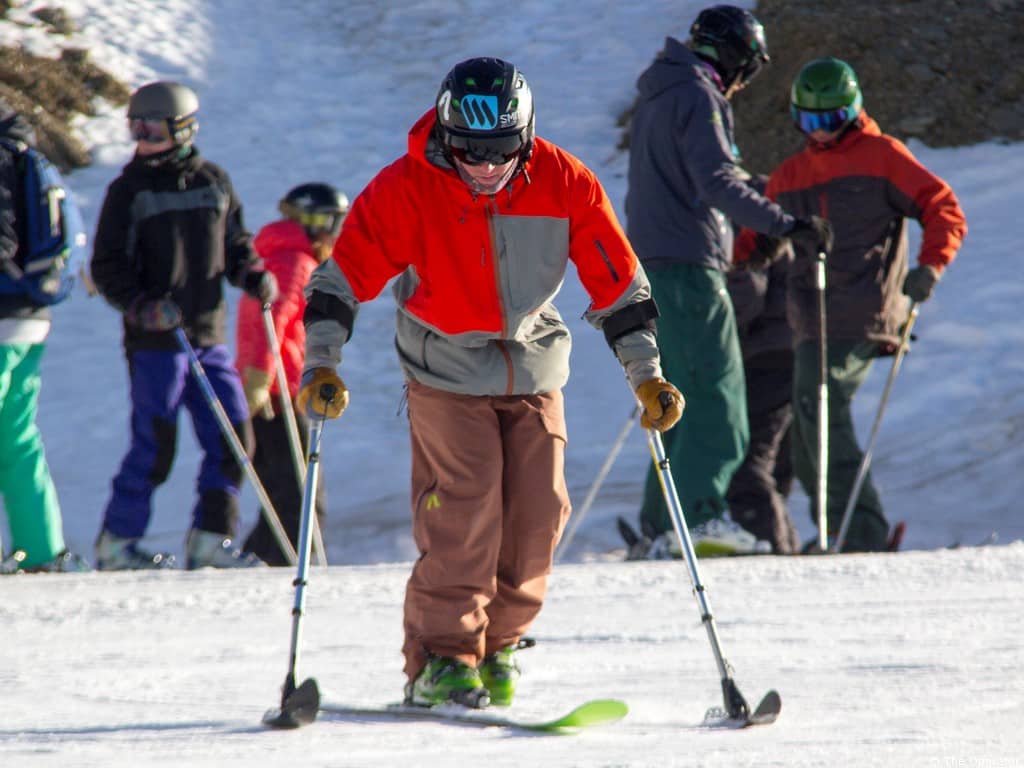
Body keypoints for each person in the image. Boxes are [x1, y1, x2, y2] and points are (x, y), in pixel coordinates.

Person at [296, 57, 683, 709]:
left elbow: (619, 286)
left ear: (526, 138)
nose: (483, 166)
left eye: (500, 150)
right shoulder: (406, 188)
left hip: (533, 365)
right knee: (466, 509)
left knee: (538, 515)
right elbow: (340, 281)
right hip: (443, 367)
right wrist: (322, 365)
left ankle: (498, 647)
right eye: (468, 150)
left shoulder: (564, 183)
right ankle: (444, 659)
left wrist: (647, 376)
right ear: (446, 136)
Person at [624, 4, 832, 558]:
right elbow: (715, 177)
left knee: (674, 400)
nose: (745, 81)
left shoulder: (660, 91)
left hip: (655, 264)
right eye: (751, 66)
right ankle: (700, 518)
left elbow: (704, 179)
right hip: (688, 266)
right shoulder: (696, 93)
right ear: (736, 55)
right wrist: (784, 223)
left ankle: (662, 523)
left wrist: (758, 209)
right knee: (719, 399)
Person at [764, 57, 966, 551]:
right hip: (810, 317)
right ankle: (839, 530)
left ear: (853, 111)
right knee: (808, 424)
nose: (823, 132)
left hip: (864, 311)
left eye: (831, 120)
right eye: (810, 122)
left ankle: (862, 534)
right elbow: (756, 231)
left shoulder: (882, 156)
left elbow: (943, 207)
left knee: (820, 409)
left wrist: (930, 266)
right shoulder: (790, 175)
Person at [91, 81, 278, 570]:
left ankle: (210, 539)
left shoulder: (213, 181)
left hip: (207, 336)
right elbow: (107, 266)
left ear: (184, 127)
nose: (142, 136)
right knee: (155, 443)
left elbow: (236, 246)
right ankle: (117, 543)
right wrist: (140, 304)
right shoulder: (127, 191)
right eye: (135, 126)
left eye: (152, 126)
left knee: (234, 436)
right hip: (157, 341)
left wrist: (252, 273)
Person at [235, 182, 348, 565]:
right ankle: (290, 571)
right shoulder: (295, 261)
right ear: (317, 222)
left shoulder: (277, 256)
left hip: (272, 389)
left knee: (284, 494)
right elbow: (273, 319)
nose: (336, 233)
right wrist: (259, 379)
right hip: (276, 395)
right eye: (334, 222)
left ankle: (254, 564)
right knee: (303, 497)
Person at [0, 101, 90, 574]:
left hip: (2, 315)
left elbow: (2, 241)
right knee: (16, 438)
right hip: (30, 319)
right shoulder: (23, 154)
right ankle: (40, 549)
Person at [726, 192, 801, 554]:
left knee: (749, 462)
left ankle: (767, 545)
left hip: (765, 356)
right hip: (787, 350)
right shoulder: (764, 207)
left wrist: (712, 337)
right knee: (771, 466)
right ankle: (782, 546)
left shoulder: (739, 213)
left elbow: (746, 293)